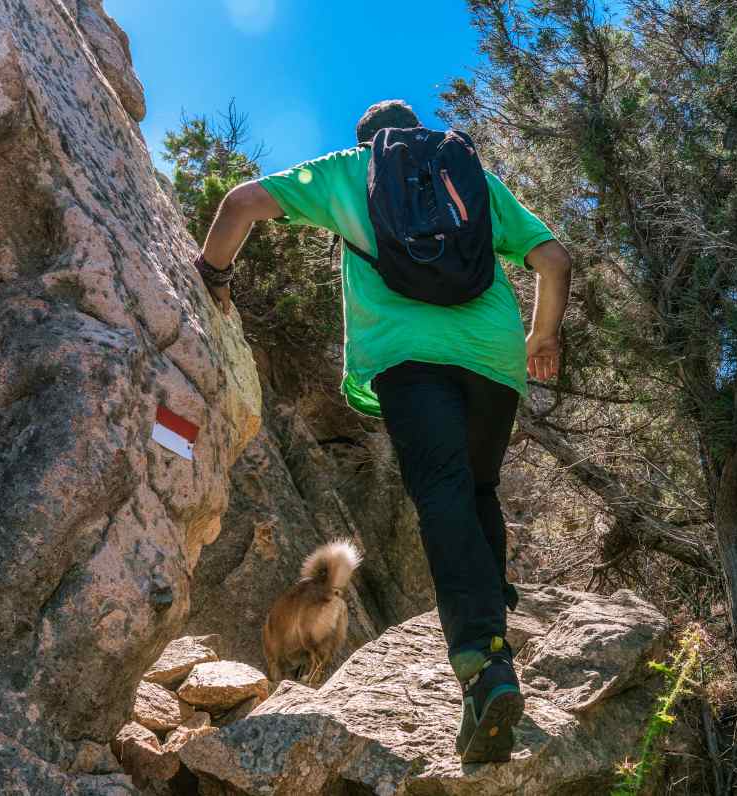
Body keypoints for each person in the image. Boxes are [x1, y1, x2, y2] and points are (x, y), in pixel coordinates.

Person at [193, 99, 571, 763]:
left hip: (408, 361)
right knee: (478, 488)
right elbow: (554, 259)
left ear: (367, 142)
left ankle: (484, 669)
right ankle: (491, 618)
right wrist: (542, 335)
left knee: (445, 497)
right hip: (494, 360)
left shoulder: (352, 172)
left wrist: (215, 278)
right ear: (419, 131)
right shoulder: (469, 177)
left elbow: (240, 203)